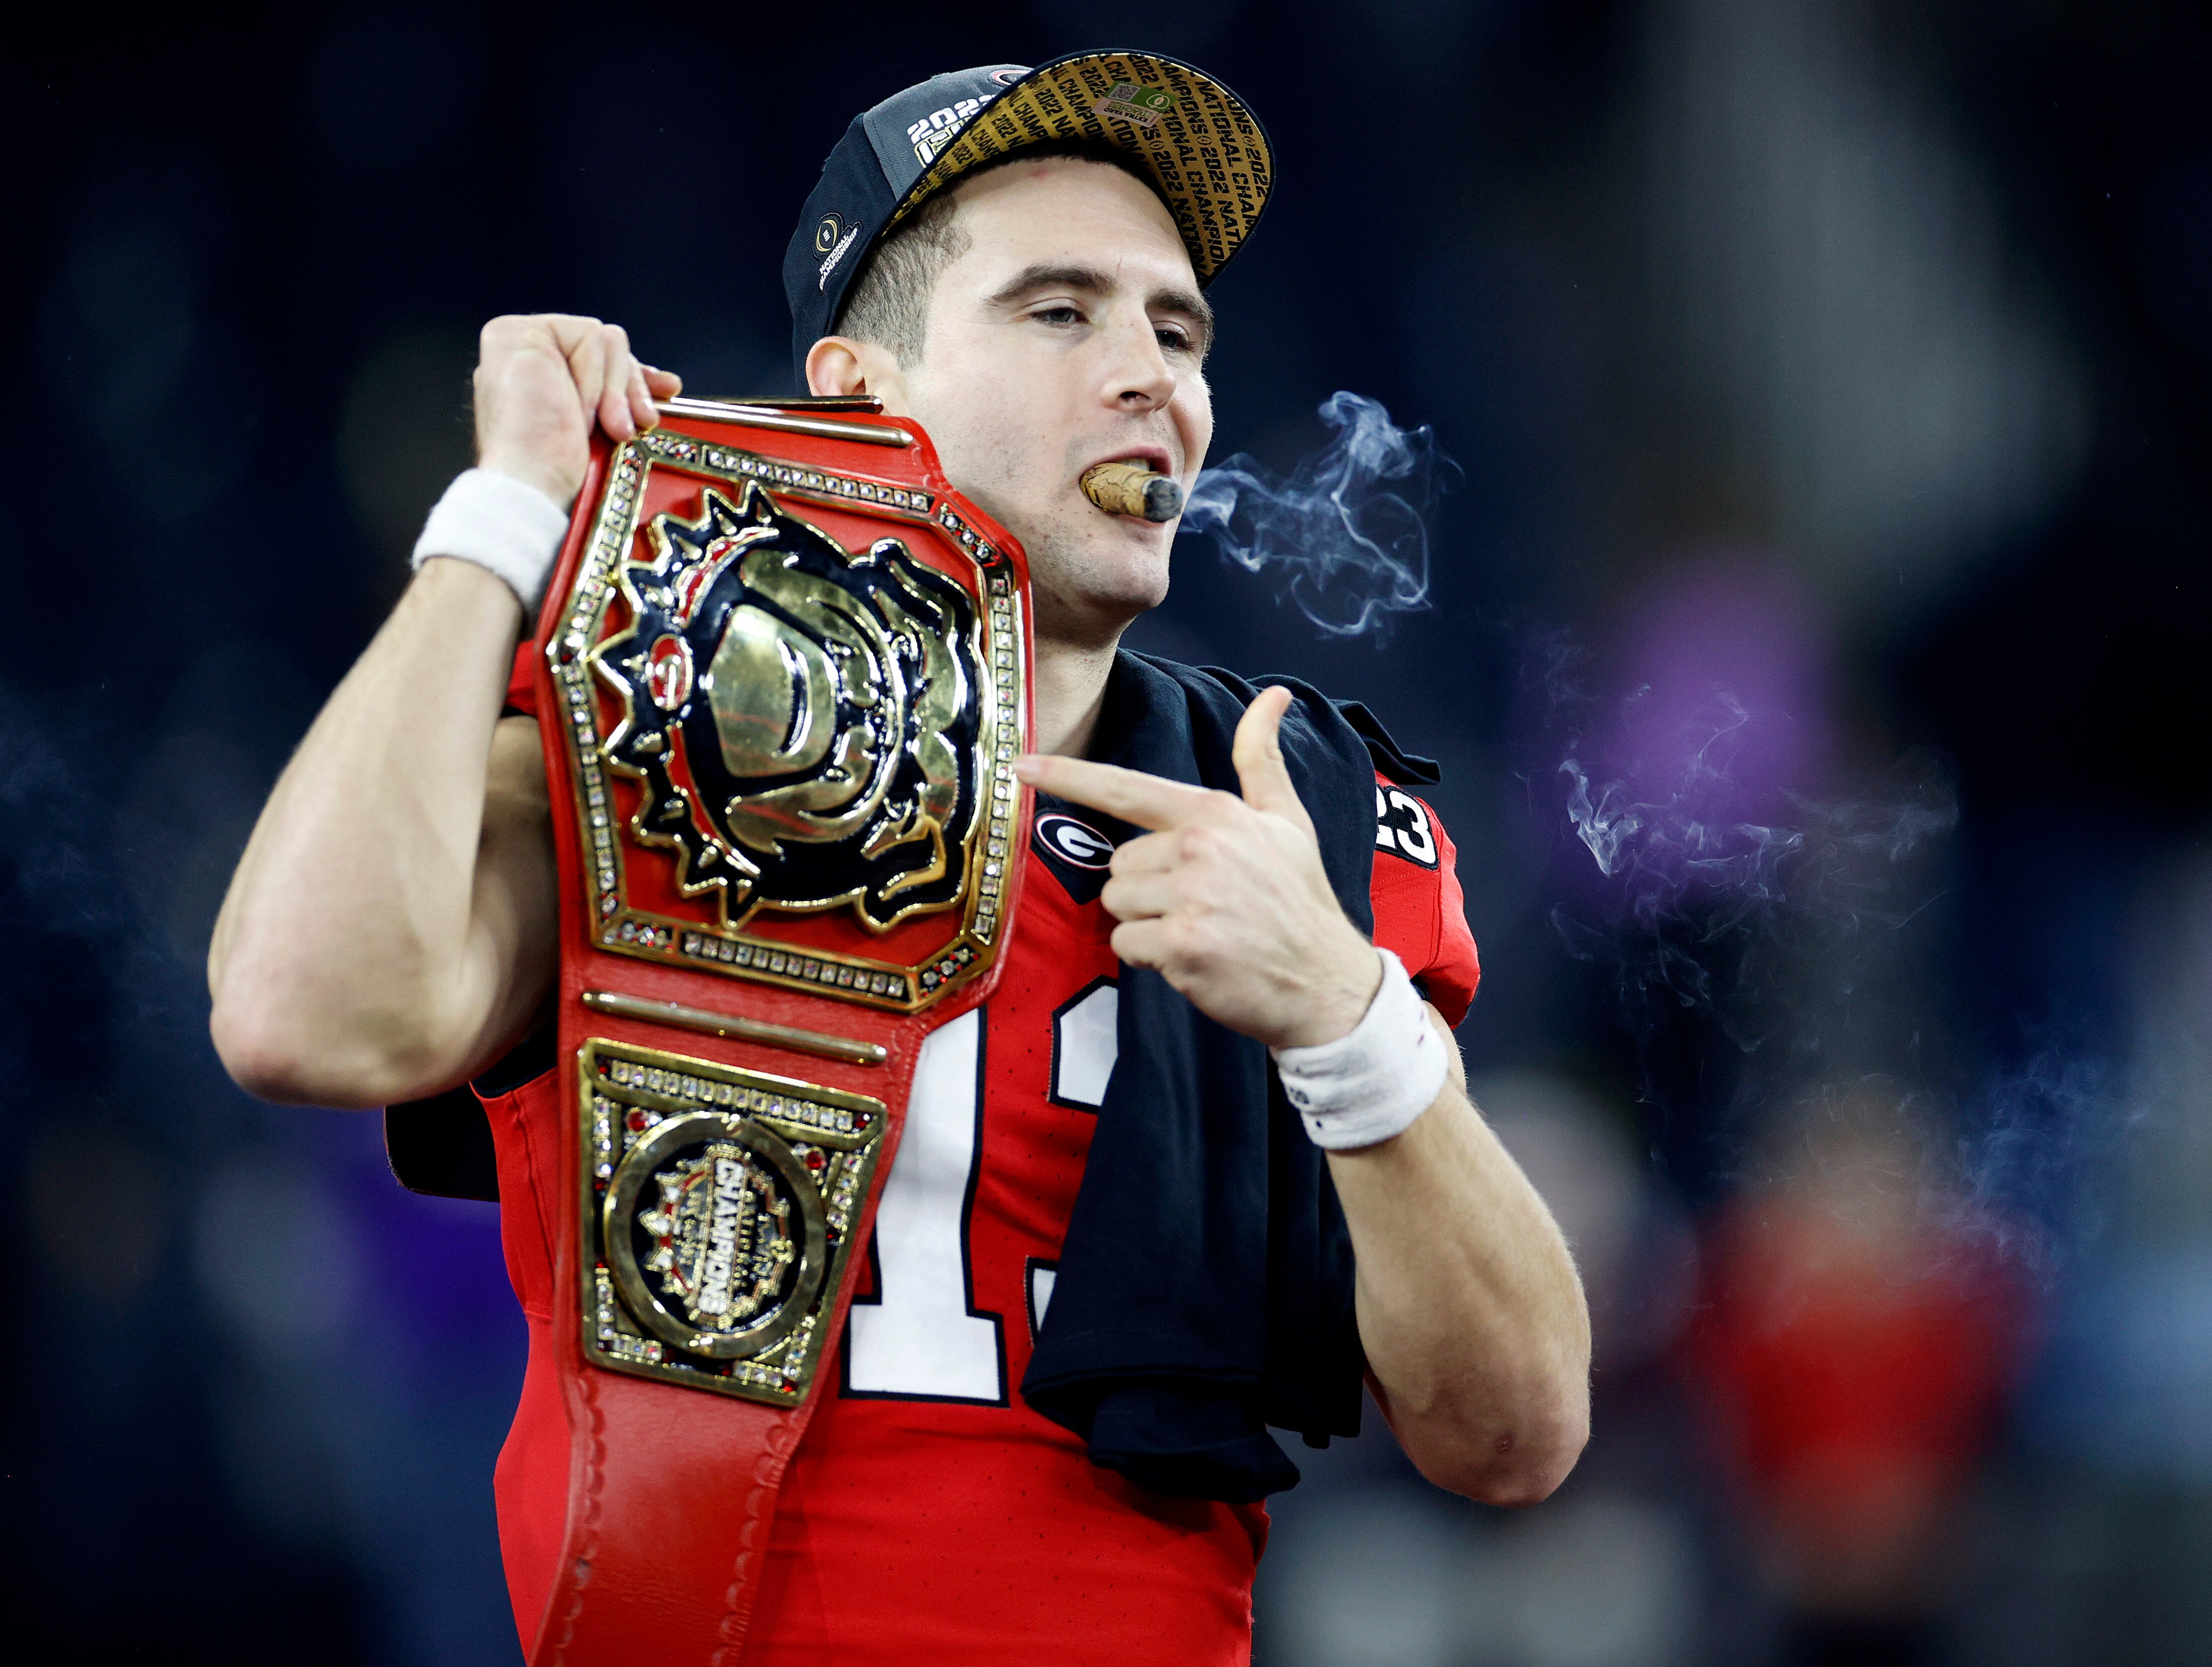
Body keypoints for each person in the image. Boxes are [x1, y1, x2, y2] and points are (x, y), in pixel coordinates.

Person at [209, 51, 1589, 1664]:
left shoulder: (1296, 817)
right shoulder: (633, 732)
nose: (1149, 373)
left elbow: (1516, 1435)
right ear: (859, 386)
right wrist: (505, 513)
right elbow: (297, 1018)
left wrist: (1351, 1025)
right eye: (1059, 311)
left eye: (1177, 325)